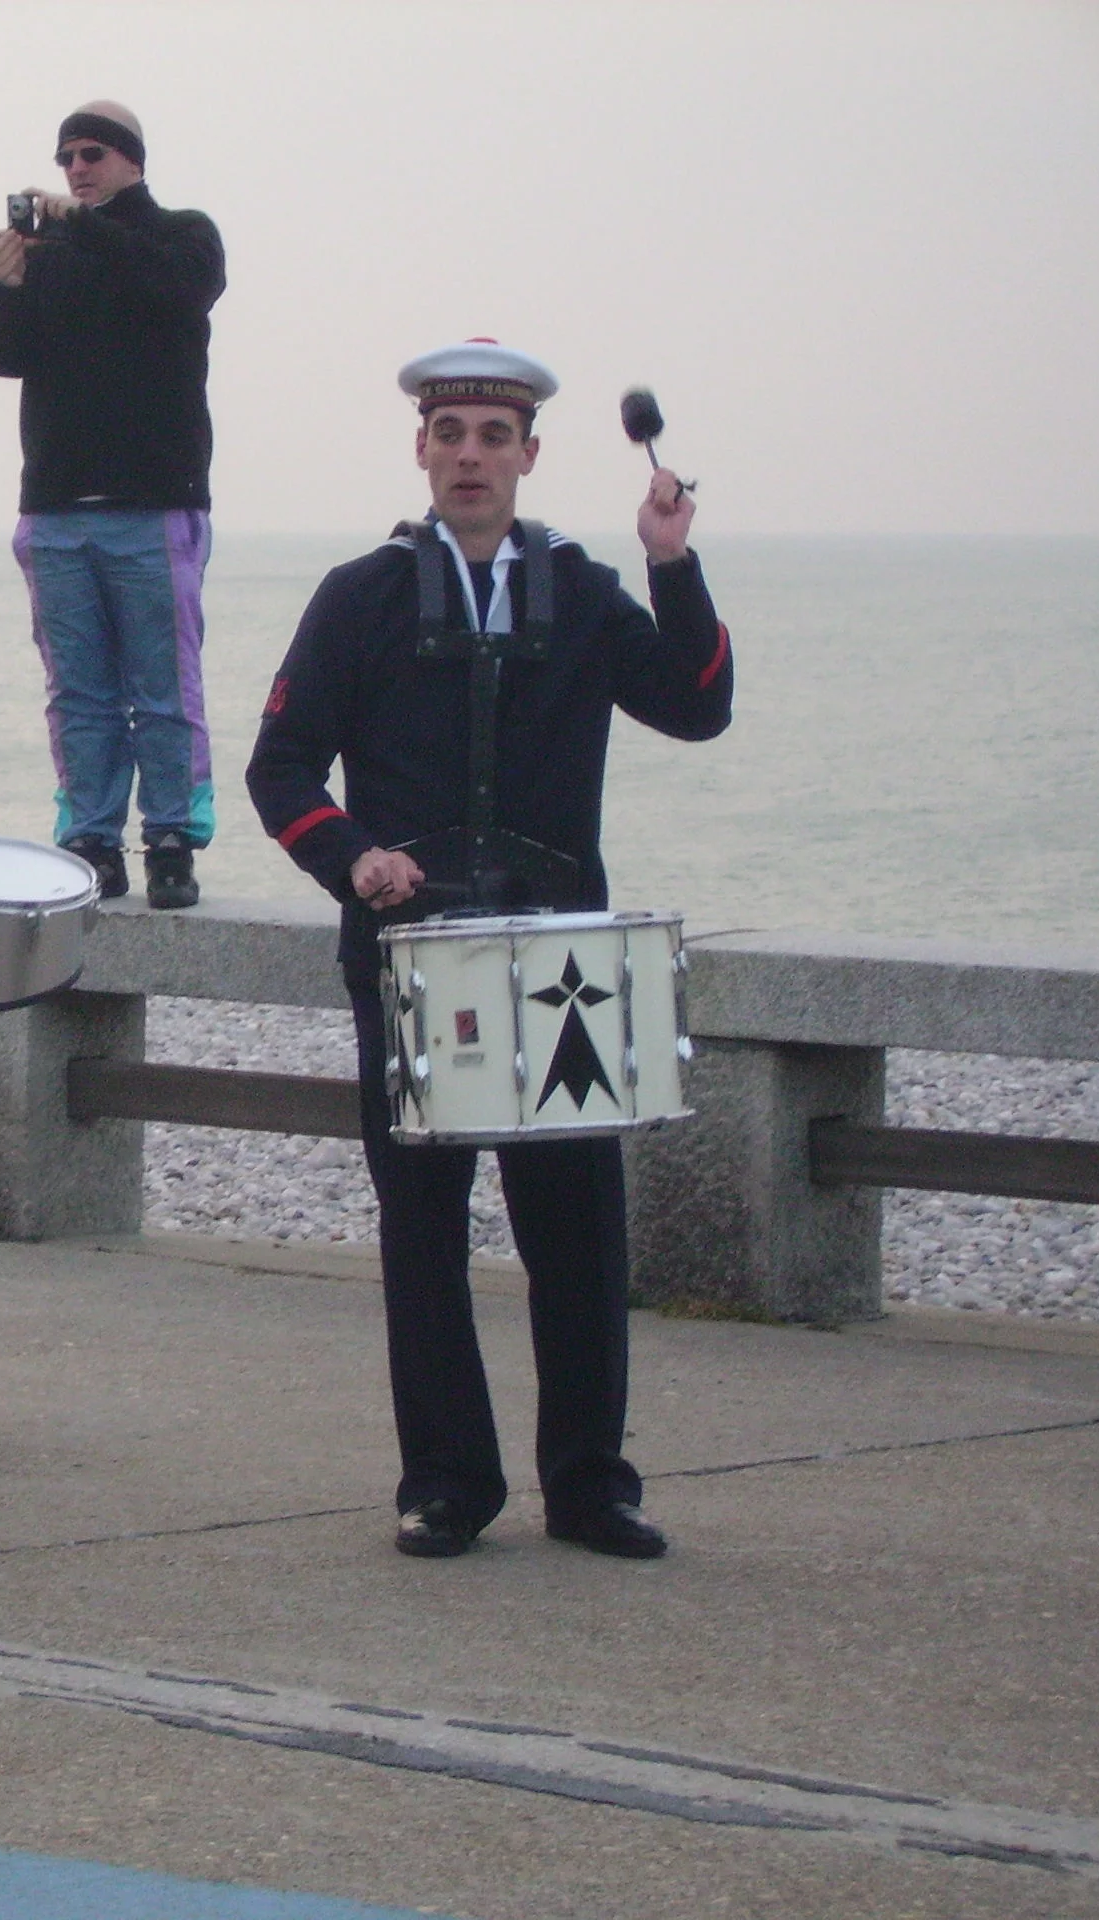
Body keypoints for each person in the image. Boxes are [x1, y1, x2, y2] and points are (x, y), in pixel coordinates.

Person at [245, 340, 734, 1562]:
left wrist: (671, 567)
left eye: (493, 437)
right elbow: (280, 767)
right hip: (412, 959)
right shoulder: (358, 595)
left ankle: (591, 1487)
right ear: (420, 447)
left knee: (575, 1228)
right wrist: (351, 855)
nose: (470, 455)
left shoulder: (577, 587)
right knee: (421, 1228)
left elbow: (696, 703)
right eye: (450, 433)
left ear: (528, 454)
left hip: (557, 958)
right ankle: (446, 1484)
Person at [0, 100, 224, 910]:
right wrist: (3, 285)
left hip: (153, 504)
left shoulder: (182, 234)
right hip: (55, 509)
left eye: (93, 154)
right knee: (76, 691)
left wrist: (81, 225)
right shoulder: (54, 253)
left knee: (163, 687)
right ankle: (90, 840)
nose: (76, 167)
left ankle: (174, 840)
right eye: (67, 157)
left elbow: (178, 289)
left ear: (132, 160)